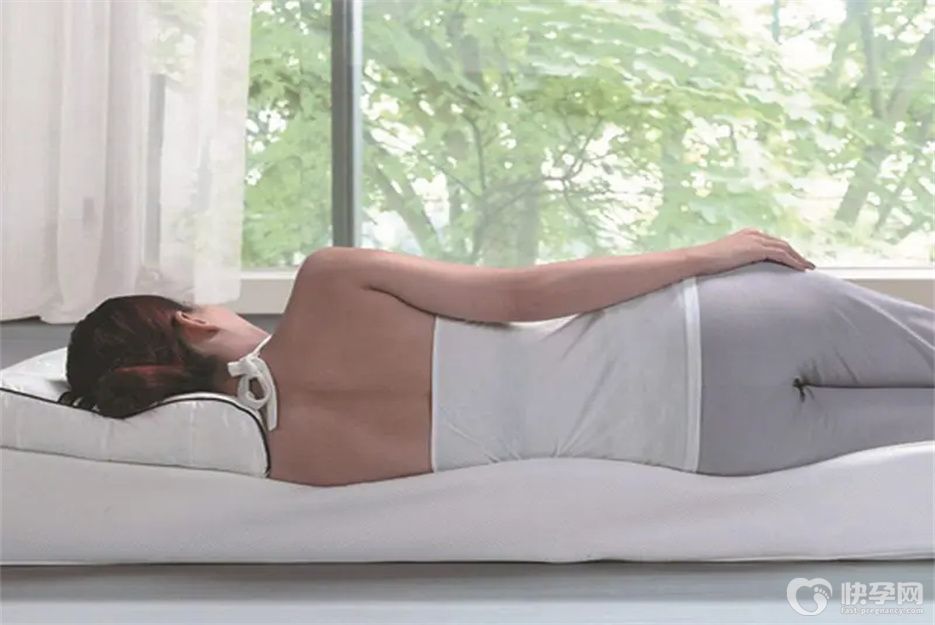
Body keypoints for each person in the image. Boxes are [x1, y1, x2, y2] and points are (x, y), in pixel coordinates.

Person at [63, 229, 934, 486]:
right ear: (192, 324)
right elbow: (528, 294)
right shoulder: (329, 283)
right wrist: (708, 253)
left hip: (712, 442)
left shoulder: (291, 467)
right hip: (716, 328)